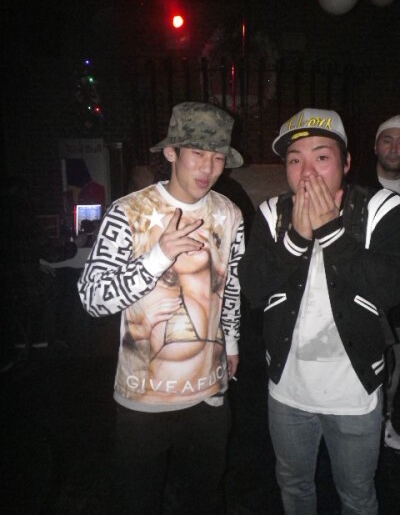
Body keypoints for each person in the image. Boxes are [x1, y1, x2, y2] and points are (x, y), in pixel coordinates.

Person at [78, 102, 245, 514]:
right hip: (143, 399)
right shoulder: (128, 213)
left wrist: (232, 342)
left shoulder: (229, 214)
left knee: (206, 499)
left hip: (208, 393)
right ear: (171, 152)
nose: (208, 167)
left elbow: (230, 284)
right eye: (198, 153)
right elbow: (92, 299)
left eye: (218, 157)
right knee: (138, 501)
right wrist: (157, 258)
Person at [238, 107, 400, 514]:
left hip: (355, 392)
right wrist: (295, 238)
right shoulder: (271, 213)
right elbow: (252, 288)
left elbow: (390, 287)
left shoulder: (383, 208)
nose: (307, 173)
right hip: (288, 391)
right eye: (295, 160)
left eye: (321, 157)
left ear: (346, 162)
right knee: (293, 487)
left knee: (357, 496)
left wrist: (330, 231)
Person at [355, 115, 400, 449]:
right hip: (367, 292)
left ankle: (390, 418)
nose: (395, 149)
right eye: (388, 140)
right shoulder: (357, 188)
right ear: (375, 146)